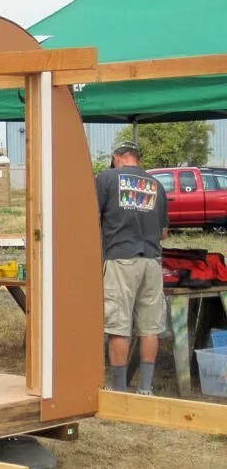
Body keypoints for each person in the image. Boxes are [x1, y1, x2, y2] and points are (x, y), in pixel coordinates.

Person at [96, 141, 168, 395]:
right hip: (152, 260)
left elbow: (91, 219)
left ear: (117, 157)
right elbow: (164, 232)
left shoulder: (106, 178)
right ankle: (145, 390)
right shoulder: (157, 185)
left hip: (120, 259)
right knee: (150, 327)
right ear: (137, 158)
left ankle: (118, 389)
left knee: (118, 324)